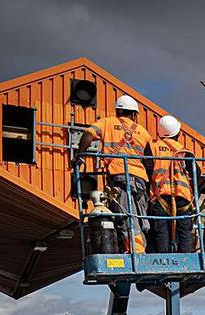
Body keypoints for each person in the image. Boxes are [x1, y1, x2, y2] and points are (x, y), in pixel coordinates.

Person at [74, 95, 154, 249]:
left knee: (126, 216)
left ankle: (136, 252)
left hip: (119, 176)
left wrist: (79, 154)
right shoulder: (143, 132)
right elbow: (149, 160)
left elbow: (88, 134)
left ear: (118, 111)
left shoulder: (107, 122)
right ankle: (138, 249)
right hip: (140, 179)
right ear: (133, 114)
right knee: (140, 217)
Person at [145, 115, 196, 253]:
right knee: (184, 230)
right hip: (182, 197)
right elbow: (196, 175)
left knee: (161, 230)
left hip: (161, 196)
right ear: (178, 133)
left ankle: (164, 259)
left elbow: (147, 170)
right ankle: (186, 259)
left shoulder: (152, 146)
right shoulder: (185, 152)